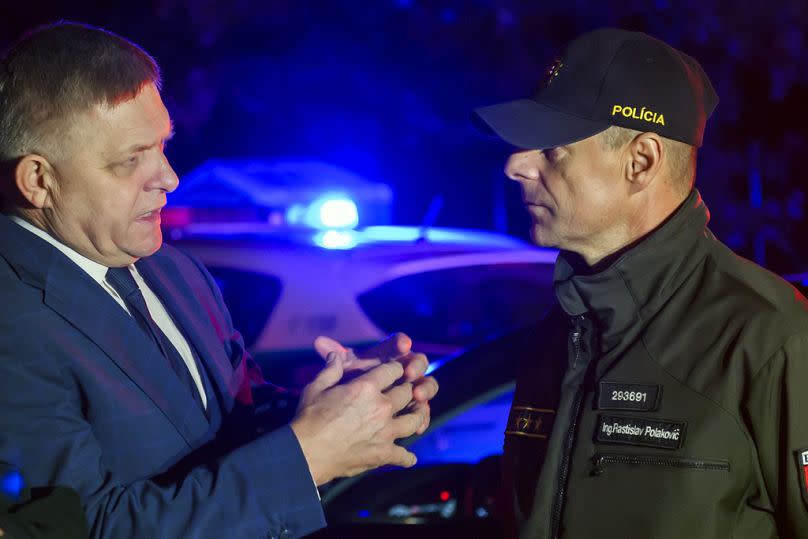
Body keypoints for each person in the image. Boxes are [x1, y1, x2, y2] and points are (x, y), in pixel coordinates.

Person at [0, 22, 438, 539]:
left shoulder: (174, 270)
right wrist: (305, 457)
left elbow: (233, 422)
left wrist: (349, 403)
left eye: (163, 146)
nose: (168, 177)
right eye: (131, 160)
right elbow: (88, 529)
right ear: (39, 180)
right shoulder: (13, 320)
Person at [472, 28, 808, 538]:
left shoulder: (768, 336)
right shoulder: (557, 333)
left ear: (641, 161)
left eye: (553, 148)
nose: (515, 165)